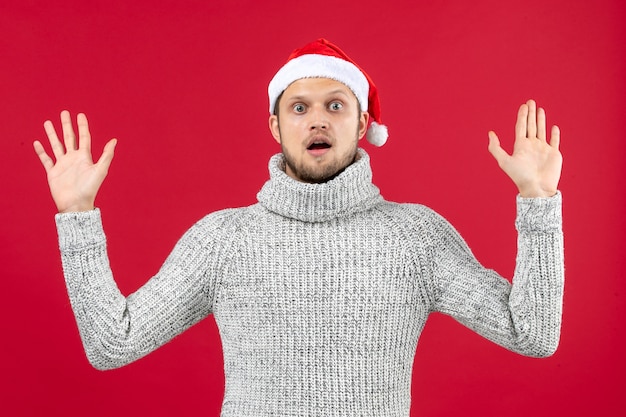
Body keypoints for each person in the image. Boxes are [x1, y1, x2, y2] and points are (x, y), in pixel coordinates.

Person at [33, 38, 564, 416]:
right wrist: (77, 215)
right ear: (275, 125)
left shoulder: (414, 239)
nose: (318, 120)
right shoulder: (224, 240)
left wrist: (537, 200)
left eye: (336, 105)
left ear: (361, 123)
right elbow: (112, 343)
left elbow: (532, 334)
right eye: (299, 107)